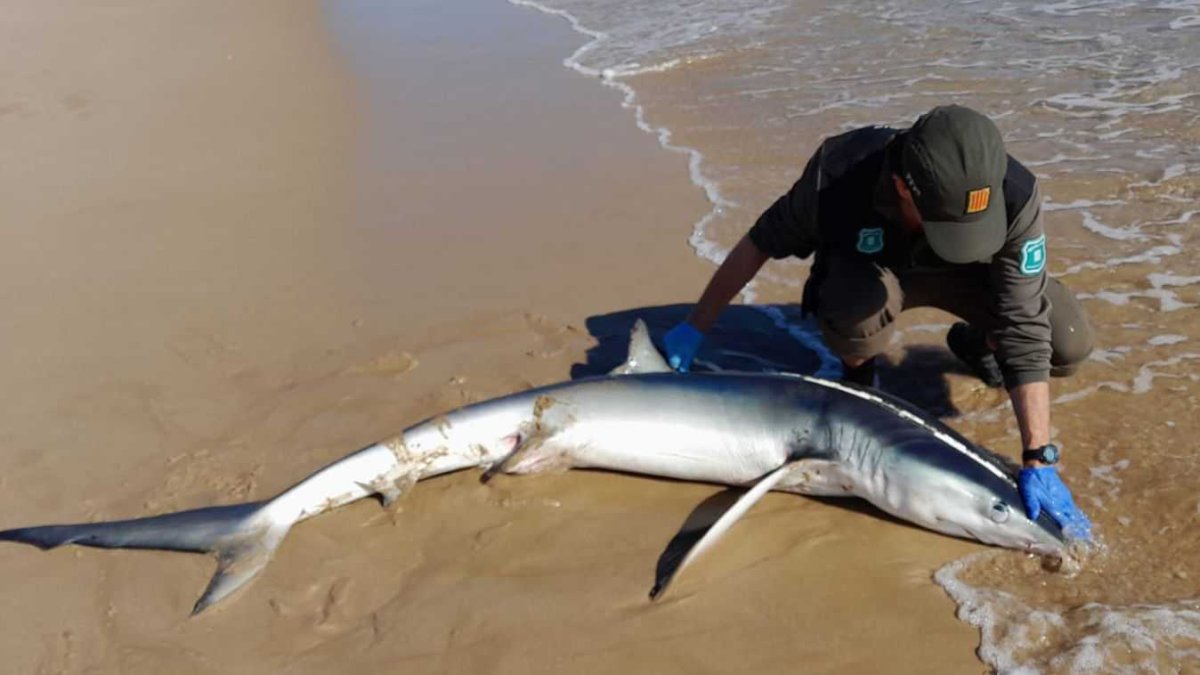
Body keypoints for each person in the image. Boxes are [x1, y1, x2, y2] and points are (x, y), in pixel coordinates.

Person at [663, 105, 1094, 540]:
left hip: (969, 279)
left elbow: (1023, 317)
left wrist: (1038, 456)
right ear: (902, 187)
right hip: (876, 276)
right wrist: (695, 327)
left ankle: (980, 342)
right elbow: (758, 244)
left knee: (1066, 341)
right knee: (855, 308)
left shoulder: (1014, 193)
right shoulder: (838, 174)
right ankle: (859, 378)